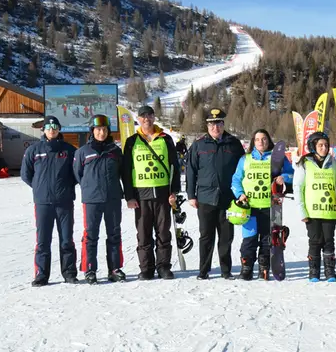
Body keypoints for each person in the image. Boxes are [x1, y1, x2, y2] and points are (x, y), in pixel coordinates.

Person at [120, 105, 180, 280]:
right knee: (143, 233)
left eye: (150, 115)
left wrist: (174, 191)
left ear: (154, 118)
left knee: (163, 232)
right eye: (143, 116)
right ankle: (146, 268)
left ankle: (164, 267)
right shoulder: (132, 142)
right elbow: (126, 171)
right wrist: (129, 196)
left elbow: (174, 167)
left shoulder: (165, 139)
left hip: (162, 193)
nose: (147, 118)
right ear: (138, 119)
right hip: (141, 195)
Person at [186, 108, 245, 280]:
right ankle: (203, 271)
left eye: (218, 123)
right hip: (205, 198)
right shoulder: (199, 144)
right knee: (206, 236)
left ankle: (225, 271)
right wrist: (191, 195)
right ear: (207, 125)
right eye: (211, 123)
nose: (215, 127)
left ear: (223, 124)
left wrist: (241, 194)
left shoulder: (233, 143)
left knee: (226, 237)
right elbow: (191, 171)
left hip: (228, 199)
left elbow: (243, 170)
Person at [21, 116, 79, 287]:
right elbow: (26, 174)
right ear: (44, 130)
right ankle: (41, 274)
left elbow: (76, 174)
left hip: (64, 202)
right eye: (49, 127)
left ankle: (69, 273)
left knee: (66, 239)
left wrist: (66, 187)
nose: (52, 130)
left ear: (59, 129)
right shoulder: (34, 150)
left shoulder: (69, 150)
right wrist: (39, 187)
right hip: (43, 203)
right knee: (43, 241)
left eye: (55, 127)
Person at [230, 129, 294, 280]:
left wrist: (283, 177)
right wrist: (240, 194)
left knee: (267, 240)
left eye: (264, 139)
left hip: (270, 207)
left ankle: (264, 267)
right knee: (249, 240)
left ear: (268, 141)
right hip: (250, 207)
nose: (261, 142)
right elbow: (236, 180)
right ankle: (247, 267)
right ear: (253, 141)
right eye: (257, 139)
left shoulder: (277, 158)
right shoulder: (245, 159)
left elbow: (292, 175)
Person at [74, 114, 127, 284]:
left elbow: (123, 173)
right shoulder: (83, 152)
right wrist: (90, 187)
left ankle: (115, 268)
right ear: (92, 131)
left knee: (114, 233)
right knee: (91, 235)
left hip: (112, 198)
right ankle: (89, 269)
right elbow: (78, 174)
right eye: (98, 130)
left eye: (104, 129)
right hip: (92, 199)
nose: (101, 133)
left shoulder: (115, 151)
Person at [294, 131, 336, 282]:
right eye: (320, 145)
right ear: (313, 146)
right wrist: (302, 211)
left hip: (330, 211)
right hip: (312, 212)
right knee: (315, 241)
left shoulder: (333, 163)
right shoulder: (305, 163)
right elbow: (298, 188)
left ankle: (330, 272)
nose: (324, 148)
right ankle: (314, 272)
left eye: (326, 145)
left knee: (329, 241)